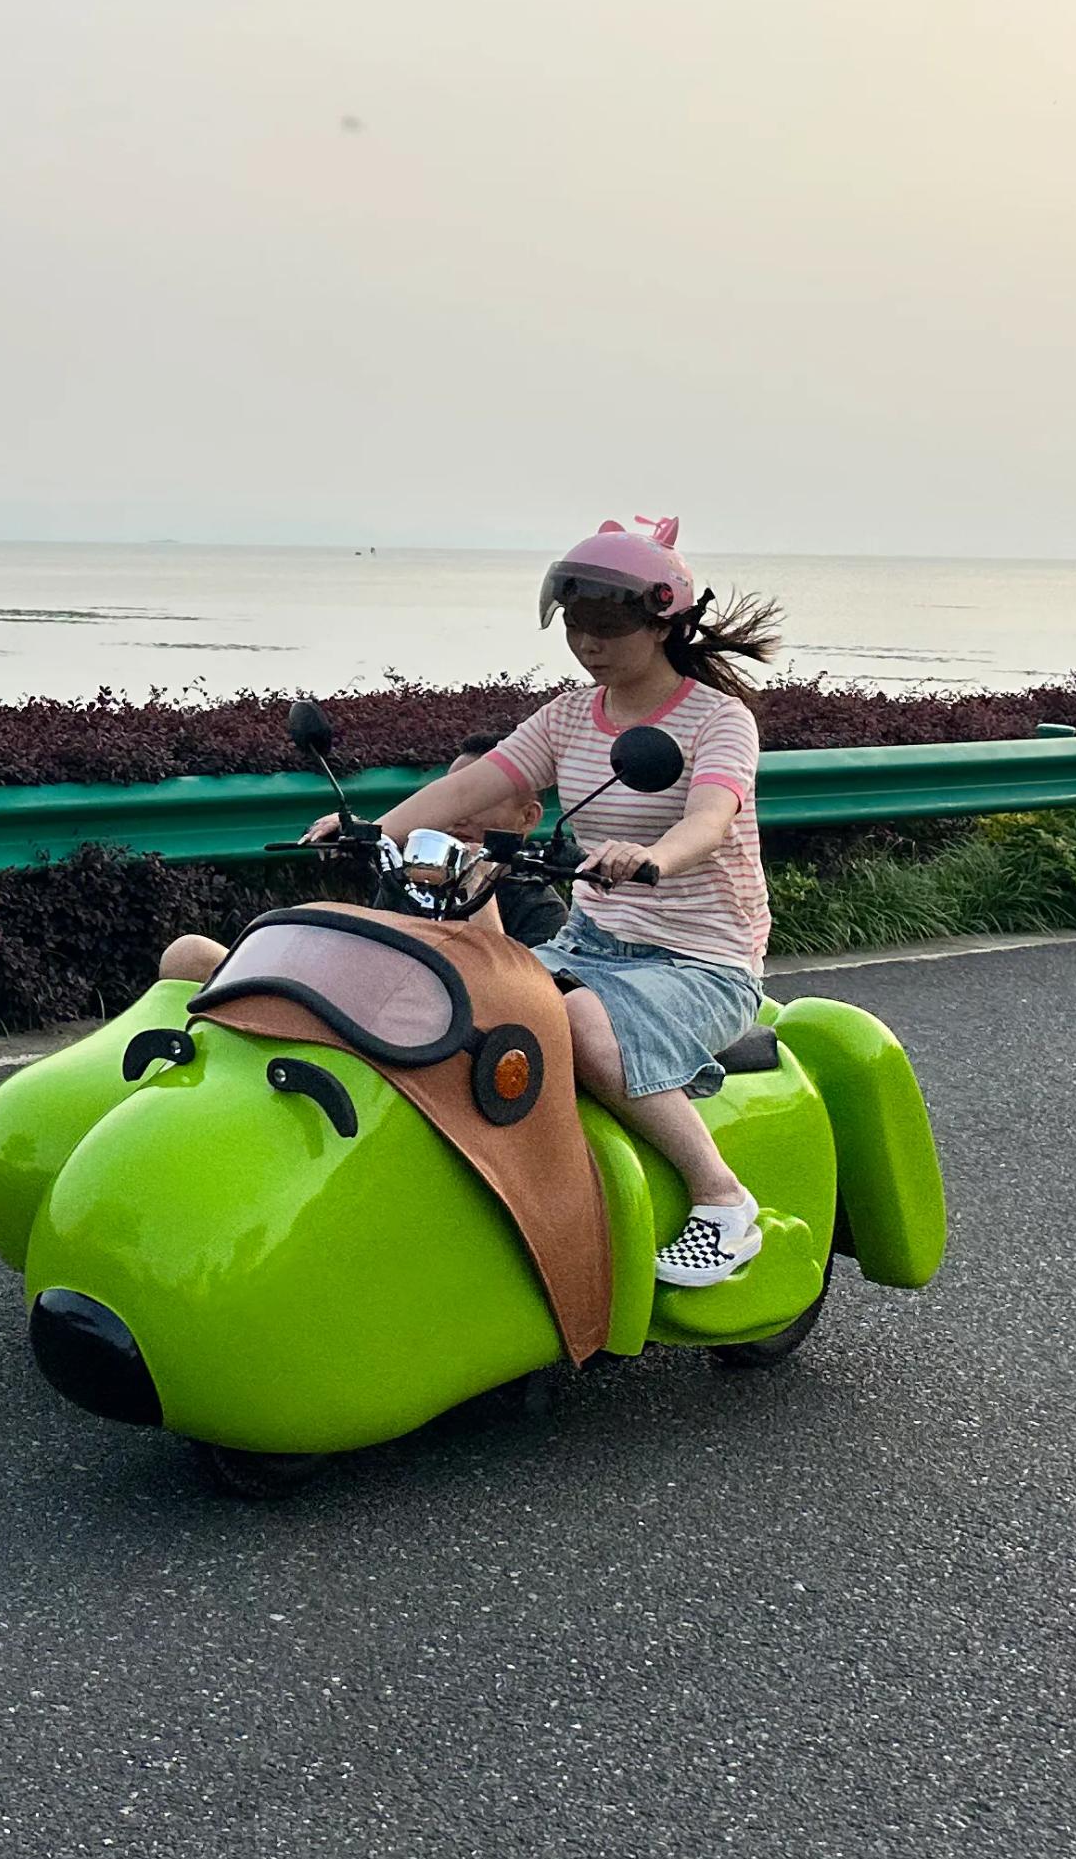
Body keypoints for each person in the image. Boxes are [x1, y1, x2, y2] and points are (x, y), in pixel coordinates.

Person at [156, 517, 784, 1287]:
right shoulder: (566, 716)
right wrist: (370, 827)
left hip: (701, 960)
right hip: (591, 944)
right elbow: (469, 787)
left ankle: (721, 1203)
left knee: (575, 1019)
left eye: (609, 627)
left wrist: (652, 857)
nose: (589, 644)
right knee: (461, 996)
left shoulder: (718, 720)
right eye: (577, 626)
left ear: (664, 620)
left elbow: (710, 820)